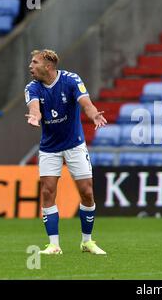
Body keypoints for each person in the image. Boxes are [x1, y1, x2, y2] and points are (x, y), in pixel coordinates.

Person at [25, 49, 107, 255]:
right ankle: (54, 245)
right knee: (47, 191)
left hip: (74, 145)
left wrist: (94, 114)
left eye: (34, 62)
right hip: (49, 148)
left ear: (48, 66)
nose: (30, 66)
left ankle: (87, 242)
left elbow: (85, 104)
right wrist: (34, 117)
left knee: (87, 193)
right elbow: (34, 108)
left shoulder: (71, 80)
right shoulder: (32, 87)